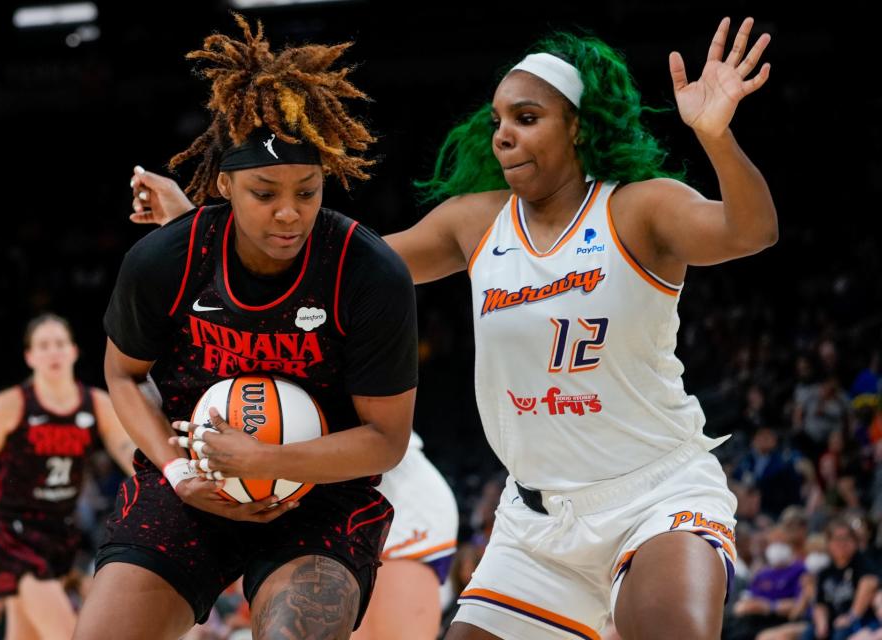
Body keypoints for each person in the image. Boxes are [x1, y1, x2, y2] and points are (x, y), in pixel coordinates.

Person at [136, 15, 777, 639]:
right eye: (497, 121)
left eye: (527, 119)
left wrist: (716, 137)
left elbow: (751, 232)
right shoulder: (475, 222)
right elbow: (323, 273)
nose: (503, 135)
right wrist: (197, 220)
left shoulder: (640, 208)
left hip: (654, 496)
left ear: (579, 128)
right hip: (536, 521)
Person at [74, 16, 418, 640]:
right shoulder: (165, 259)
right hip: (190, 481)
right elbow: (121, 375)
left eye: (307, 192)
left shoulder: (368, 272)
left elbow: (386, 440)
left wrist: (267, 458)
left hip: (320, 496)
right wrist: (180, 473)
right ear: (224, 186)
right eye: (264, 193)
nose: (289, 213)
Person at [129, 168, 459, 640]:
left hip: (390, 491)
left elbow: (326, 269)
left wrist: (186, 220)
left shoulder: (356, 269)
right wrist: (187, 227)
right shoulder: (224, 274)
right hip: (287, 498)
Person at [0, 313, 135, 640]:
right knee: (66, 633)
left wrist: (176, 481)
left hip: (59, 529)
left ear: (74, 351)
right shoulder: (10, 405)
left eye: (60, 344)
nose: (54, 352)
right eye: (44, 345)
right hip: (12, 529)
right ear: (30, 356)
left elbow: (129, 453)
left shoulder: (96, 404)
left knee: (26, 635)